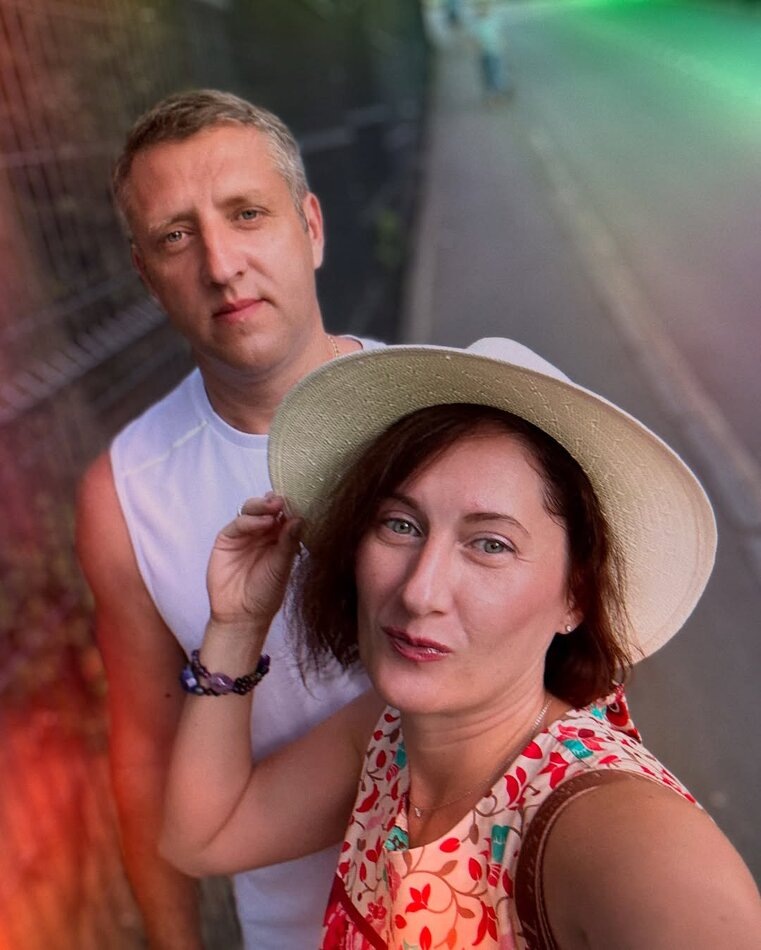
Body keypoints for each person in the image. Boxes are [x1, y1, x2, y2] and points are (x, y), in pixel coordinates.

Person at [160, 337, 761, 948]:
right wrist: (237, 626)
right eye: (401, 525)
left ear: (575, 597)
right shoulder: (391, 736)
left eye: (490, 544)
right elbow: (203, 838)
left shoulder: (607, 828)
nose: (420, 591)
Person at [75, 89, 384, 949]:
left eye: (247, 214)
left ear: (310, 228)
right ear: (146, 275)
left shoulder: (446, 410)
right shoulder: (125, 495)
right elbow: (144, 755)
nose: (220, 264)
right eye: (176, 236)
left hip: (493, 904)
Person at [469, 0, 510, 102]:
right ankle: (492, 93)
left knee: (497, 71)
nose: (482, 10)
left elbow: (499, 33)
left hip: (495, 51)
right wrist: (475, 47)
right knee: (488, 73)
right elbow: (474, 38)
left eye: (484, 8)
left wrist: (502, 43)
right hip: (485, 53)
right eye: (479, 8)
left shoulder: (493, 20)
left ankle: (499, 90)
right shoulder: (477, 23)